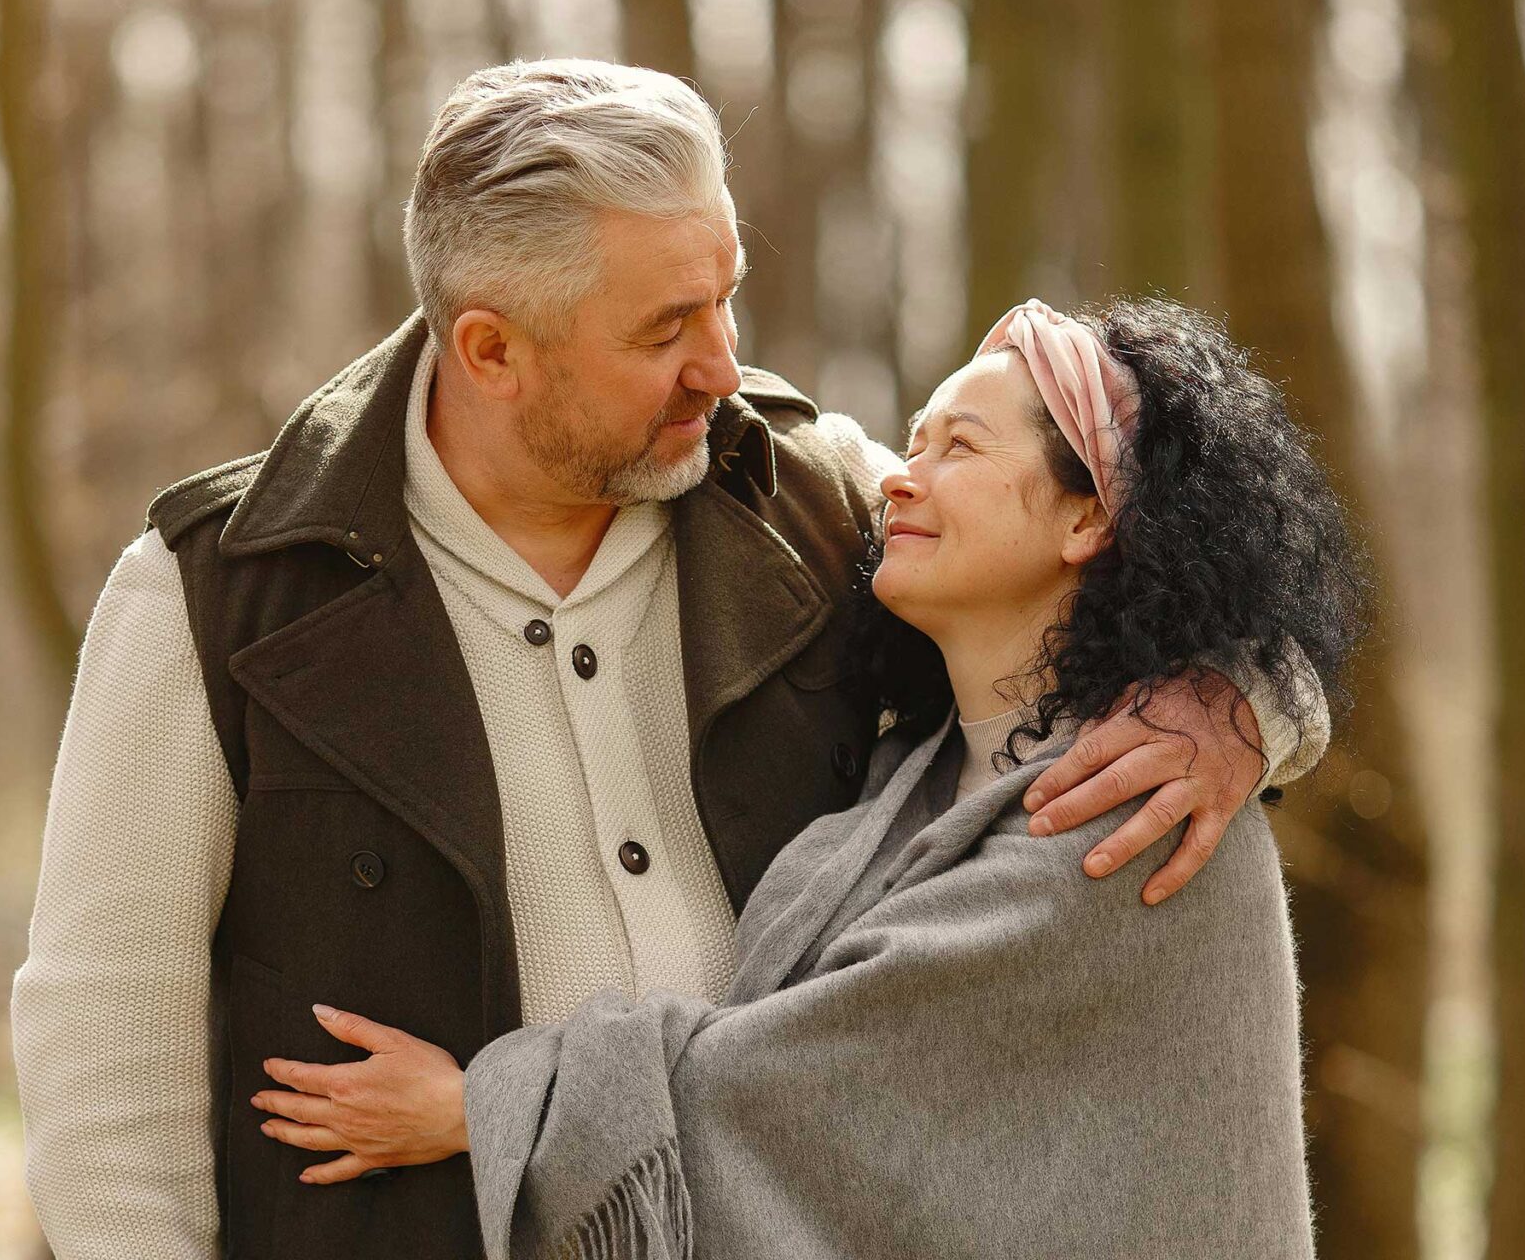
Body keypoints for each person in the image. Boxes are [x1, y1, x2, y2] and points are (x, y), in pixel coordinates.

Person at [10, 61, 1325, 1259]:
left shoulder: (810, 501)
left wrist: (1245, 704)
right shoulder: (214, 594)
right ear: (493, 351)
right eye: (663, 330)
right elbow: (107, 1071)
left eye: (725, 296)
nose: (724, 364)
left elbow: (1127, 561)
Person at [252, 296, 1356, 1258]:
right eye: (909, 444)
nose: (900, 483)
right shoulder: (910, 775)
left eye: (958, 449)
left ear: (1087, 516)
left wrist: (474, 1108)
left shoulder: (1138, 809)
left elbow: (797, 1080)